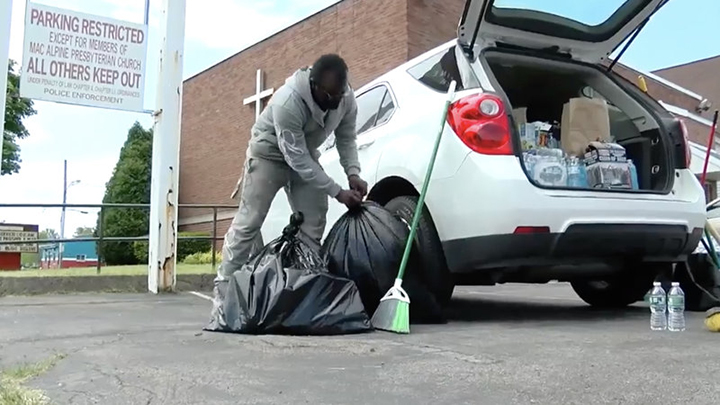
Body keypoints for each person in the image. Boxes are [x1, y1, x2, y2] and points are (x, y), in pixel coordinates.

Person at [216, 53, 367, 284]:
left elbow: (346, 138)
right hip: (268, 155)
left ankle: (301, 288)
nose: (336, 101)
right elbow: (297, 159)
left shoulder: (346, 98)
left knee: (313, 223)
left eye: (340, 93)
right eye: (330, 95)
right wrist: (338, 192)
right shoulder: (288, 101)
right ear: (314, 85)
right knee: (249, 223)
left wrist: (353, 172)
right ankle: (224, 289)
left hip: (304, 155)